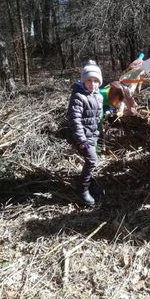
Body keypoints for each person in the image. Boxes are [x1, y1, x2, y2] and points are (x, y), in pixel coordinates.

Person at [67, 60, 103, 206]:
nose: (92, 84)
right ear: (84, 81)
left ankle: (89, 182)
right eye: (89, 80)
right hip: (83, 138)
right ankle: (82, 189)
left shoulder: (98, 96)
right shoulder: (78, 96)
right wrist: (81, 140)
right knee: (92, 160)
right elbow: (74, 120)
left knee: (92, 162)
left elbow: (95, 115)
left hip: (92, 135)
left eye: (95, 81)